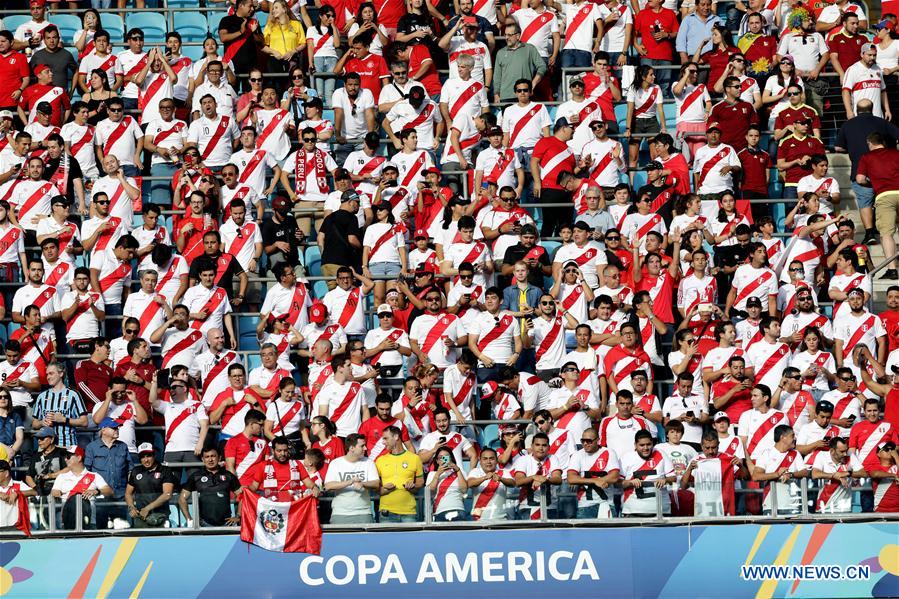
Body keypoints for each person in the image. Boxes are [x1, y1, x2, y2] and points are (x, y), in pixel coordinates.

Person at [856, 132, 899, 279]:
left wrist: (873, 183)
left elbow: (860, 179)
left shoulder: (867, 157)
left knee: (886, 234)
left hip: (884, 196)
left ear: (870, 143)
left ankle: (892, 270)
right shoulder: (896, 153)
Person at [51, 446, 114, 530]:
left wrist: (96, 491)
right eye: (65, 456)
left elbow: (109, 491)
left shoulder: (94, 476)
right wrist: (56, 494)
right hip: (67, 521)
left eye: (68, 456)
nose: (65, 459)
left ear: (79, 457)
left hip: (89, 523)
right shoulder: (61, 477)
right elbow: (54, 492)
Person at [323, 434, 380, 524]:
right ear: (352, 448)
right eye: (362, 446)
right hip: (340, 513)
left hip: (364, 513)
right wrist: (350, 481)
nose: (365, 448)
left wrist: (362, 483)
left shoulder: (368, 462)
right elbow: (328, 485)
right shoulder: (336, 463)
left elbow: (376, 483)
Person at [179, 446, 241, 527]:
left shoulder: (229, 476)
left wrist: (238, 516)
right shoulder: (196, 476)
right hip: (204, 524)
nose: (210, 460)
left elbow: (242, 496)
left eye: (213, 456)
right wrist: (189, 519)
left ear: (219, 458)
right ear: (202, 459)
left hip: (226, 524)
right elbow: (182, 498)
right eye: (207, 457)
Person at [566, 427, 620, 518]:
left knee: (609, 532)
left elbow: (614, 476)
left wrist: (597, 480)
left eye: (589, 441)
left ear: (598, 440)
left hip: (606, 503)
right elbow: (571, 478)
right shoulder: (577, 455)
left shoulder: (609, 452)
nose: (585, 444)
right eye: (583, 441)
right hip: (584, 504)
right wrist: (595, 481)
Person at [30, 362, 87, 448]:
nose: (48, 377)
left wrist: (64, 419)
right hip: (47, 447)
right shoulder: (42, 396)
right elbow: (34, 424)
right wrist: (42, 422)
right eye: (47, 374)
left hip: (68, 445)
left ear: (61, 373)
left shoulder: (73, 394)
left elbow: (84, 422)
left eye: (51, 373)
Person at [376, 426, 424, 522]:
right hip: (387, 513)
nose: (383, 442)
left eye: (386, 438)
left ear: (396, 437)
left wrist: (413, 486)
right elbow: (375, 488)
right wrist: (384, 489)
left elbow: (420, 482)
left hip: (409, 513)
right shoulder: (380, 460)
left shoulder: (415, 458)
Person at [249, 437, 320, 501]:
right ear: (273, 451)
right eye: (279, 451)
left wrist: (314, 487)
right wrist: (245, 489)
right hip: (272, 504)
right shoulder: (263, 465)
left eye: (285, 450)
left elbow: (308, 482)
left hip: (294, 505)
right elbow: (254, 486)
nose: (283, 453)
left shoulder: (297, 464)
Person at [125, 443, 176, 528]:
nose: (146, 460)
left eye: (148, 456)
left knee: (161, 540)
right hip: (141, 516)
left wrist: (147, 508)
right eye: (142, 457)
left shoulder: (165, 470)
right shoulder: (135, 471)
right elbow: (128, 493)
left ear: (154, 455)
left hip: (160, 515)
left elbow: (167, 494)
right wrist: (131, 507)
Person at [427, 445, 470, 521]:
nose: (444, 460)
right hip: (439, 511)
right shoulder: (432, 474)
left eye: (446, 457)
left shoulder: (461, 472)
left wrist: (458, 471)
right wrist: (437, 474)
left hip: (458, 509)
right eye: (440, 457)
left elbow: (464, 490)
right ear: (437, 461)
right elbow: (429, 492)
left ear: (451, 458)